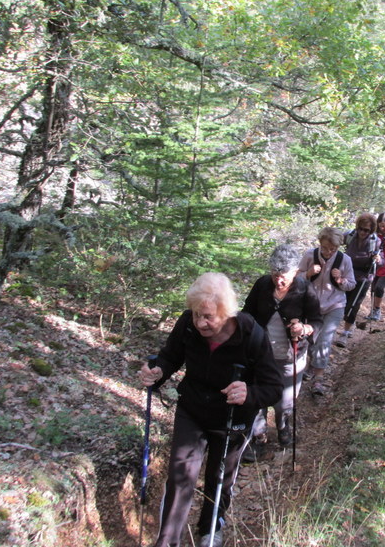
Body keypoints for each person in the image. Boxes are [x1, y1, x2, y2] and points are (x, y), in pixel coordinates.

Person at [138, 272, 283, 547]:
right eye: (195, 314)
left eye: (208, 317)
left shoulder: (251, 334)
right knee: (181, 473)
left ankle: (210, 529)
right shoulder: (188, 324)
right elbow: (170, 356)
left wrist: (249, 393)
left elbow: (273, 387)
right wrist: (158, 373)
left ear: (227, 313)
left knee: (220, 476)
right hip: (192, 408)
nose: (200, 322)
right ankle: (167, 540)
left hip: (233, 417)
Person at [241, 244, 323, 458]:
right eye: (274, 274)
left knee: (284, 401)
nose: (278, 280)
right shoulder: (262, 285)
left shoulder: (304, 288)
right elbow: (246, 314)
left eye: (283, 275)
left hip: (291, 356)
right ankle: (259, 437)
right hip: (260, 355)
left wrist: (304, 329)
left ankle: (283, 426)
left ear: (295, 271)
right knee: (257, 397)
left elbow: (317, 320)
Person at [298, 227, 356, 396]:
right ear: (320, 243)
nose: (329, 252)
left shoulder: (344, 260)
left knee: (324, 340)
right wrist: (308, 273)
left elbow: (351, 284)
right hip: (311, 305)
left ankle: (318, 378)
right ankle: (310, 365)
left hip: (335, 305)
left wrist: (340, 279)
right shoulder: (310, 255)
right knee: (310, 340)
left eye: (333, 249)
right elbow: (297, 277)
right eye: (325, 248)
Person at [335, 213, 382, 347]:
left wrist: (378, 259)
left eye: (366, 230)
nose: (362, 232)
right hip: (346, 274)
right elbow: (335, 244)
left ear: (371, 229)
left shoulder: (375, 242)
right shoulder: (349, 236)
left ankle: (345, 333)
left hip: (364, 277)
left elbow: (381, 260)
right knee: (341, 302)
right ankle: (346, 325)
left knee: (354, 305)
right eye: (360, 228)